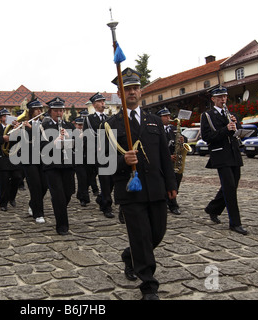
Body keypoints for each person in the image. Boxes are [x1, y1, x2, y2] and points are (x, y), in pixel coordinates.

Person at [106, 68, 177, 300]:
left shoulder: (155, 121)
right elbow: (102, 162)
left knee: (157, 234)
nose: (133, 92)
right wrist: (123, 160)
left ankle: (131, 256)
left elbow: (165, 157)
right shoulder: (110, 125)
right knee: (140, 236)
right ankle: (149, 286)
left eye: (136, 88)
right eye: (127, 89)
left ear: (141, 91)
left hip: (156, 188)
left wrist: (171, 184)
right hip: (130, 190)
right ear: (120, 93)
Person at [200, 87, 248, 235]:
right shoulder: (207, 115)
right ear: (213, 99)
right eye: (220, 97)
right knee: (229, 188)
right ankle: (235, 223)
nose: (223, 99)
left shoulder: (230, 114)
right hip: (220, 155)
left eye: (225, 97)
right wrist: (226, 129)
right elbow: (207, 137)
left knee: (232, 186)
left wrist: (236, 126)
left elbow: (236, 133)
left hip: (234, 154)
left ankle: (213, 208)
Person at [40, 97, 76, 235]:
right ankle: (62, 226)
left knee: (69, 192)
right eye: (56, 111)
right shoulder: (44, 127)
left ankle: (60, 208)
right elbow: (41, 147)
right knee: (58, 196)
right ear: (50, 112)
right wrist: (55, 142)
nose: (59, 113)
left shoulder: (69, 126)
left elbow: (77, 146)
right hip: (52, 165)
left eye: (61, 110)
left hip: (67, 164)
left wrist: (69, 138)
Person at [16, 99, 48, 223]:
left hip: (42, 157)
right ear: (31, 111)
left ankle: (32, 204)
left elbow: (45, 138)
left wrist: (33, 128)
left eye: (40, 109)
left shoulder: (44, 123)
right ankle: (38, 213)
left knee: (44, 185)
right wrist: (21, 128)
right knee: (35, 185)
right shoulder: (23, 123)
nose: (39, 111)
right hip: (28, 157)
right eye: (37, 109)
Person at [0, 108, 23, 212]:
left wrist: (18, 131)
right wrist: (3, 139)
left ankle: (12, 196)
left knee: (17, 177)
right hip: (0, 158)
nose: (7, 118)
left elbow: (20, 141)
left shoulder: (15, 128)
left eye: (8, 116)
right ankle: (3, 203)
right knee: (3, 182)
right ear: (0, 118)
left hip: (13, 157)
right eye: (5, 116)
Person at [84, 93, 114, 218]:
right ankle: (106, 206)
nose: (103, 103)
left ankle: (102, 197)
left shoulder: (109, 118)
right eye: (100, 101)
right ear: (94, 104)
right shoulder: (89, 119)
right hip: (98, 153)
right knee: (105, 180)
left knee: (112, 180)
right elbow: (87, 137)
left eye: (103, 101)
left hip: (110, 153)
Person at [157, 107, 184, 215]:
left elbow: (182, 139)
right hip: (164, 160)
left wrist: (183, 139)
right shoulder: (158, 129)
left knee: (177, 178)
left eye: (169, 116)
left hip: (175, 159)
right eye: (165, 116)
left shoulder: (173, 128)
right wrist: (168, 157)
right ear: (160, 118)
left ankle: (171, 197)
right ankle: (172, 203)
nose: (168, 118)